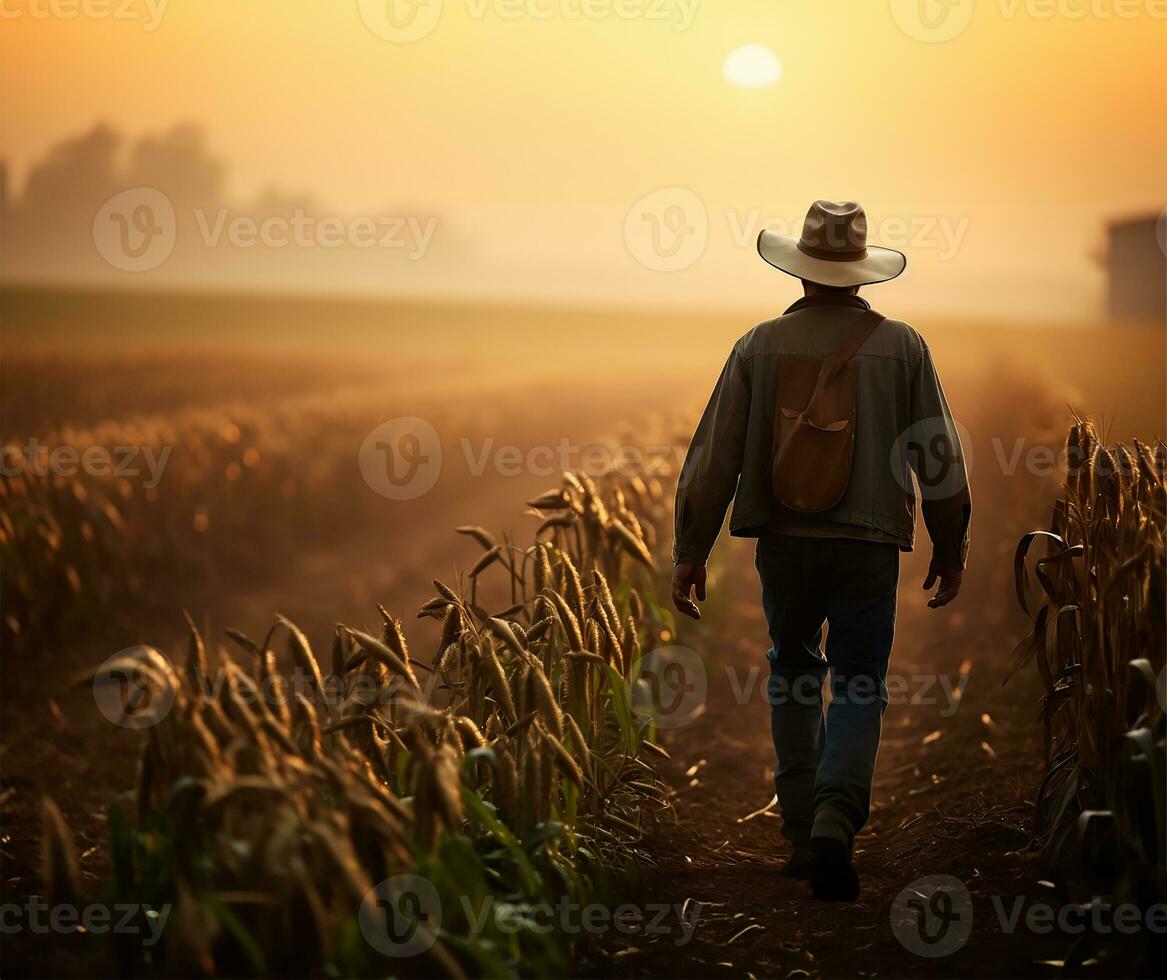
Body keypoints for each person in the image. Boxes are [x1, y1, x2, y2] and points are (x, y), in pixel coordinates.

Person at [670, 200, 971, 902]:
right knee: (860, 680)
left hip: (784, 542)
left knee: (794, 671)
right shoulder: (903, 347)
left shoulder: (757, 344)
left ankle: (802, 829)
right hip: (868, 546)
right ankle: (838, 818)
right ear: (860, 275)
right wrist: (950, 542)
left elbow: (713, 457)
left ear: (800, 270)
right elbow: (937, 452)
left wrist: (690, 548)